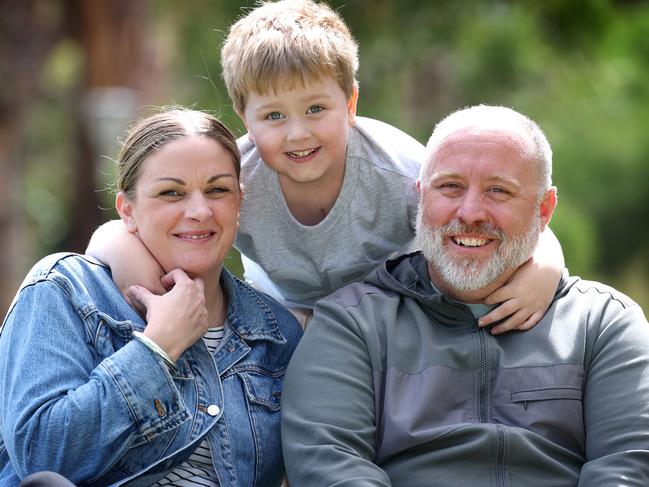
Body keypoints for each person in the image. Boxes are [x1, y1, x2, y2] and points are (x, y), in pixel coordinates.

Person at [87, 0, 563, 334]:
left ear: (351, 103)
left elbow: (516, 222)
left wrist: (545, 270)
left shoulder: (400, 170)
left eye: (316, 109)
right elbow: (124, 230)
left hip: (398, 320)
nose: (298, 134)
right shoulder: (231, 178)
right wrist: (131, 272)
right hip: (286, 323)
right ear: (244, 120)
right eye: (273, 116)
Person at [281, 105, 649, 486]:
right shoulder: (352, 324)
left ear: (544, 209)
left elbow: (628, 467)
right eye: (450, 186)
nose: (470, 211)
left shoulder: (604, 325)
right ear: (421, 197)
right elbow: (331, 468)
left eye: (498, 190)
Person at [0, 109, 302, 486]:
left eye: (217, 189)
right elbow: (43, 460)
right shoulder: (65, 290)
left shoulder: (275, 335)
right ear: (127, 210)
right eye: (171, 192)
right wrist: (157, 347)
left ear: (239, 202)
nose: (198, 210)